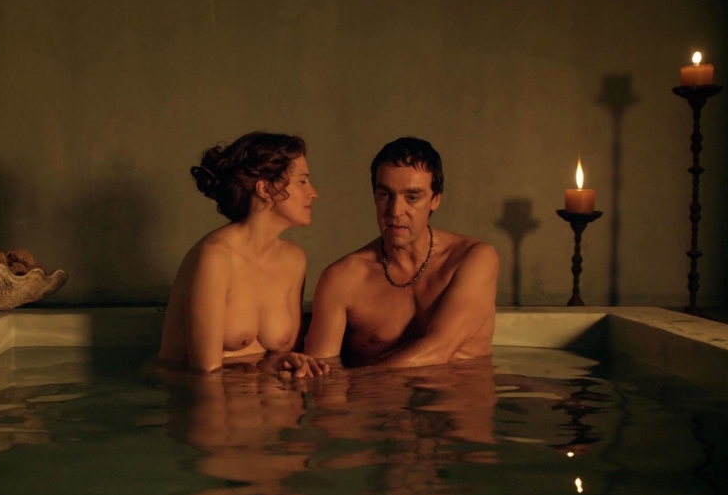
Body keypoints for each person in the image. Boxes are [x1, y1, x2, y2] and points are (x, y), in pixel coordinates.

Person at [304, 137, 498, 368]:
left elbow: (439, 349)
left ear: (435, 200)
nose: (395, 211)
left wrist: (358, 381)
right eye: (385, 195)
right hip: (375, 393)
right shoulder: (342, 278)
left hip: (457, 390)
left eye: (412, 197)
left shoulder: (473, 259)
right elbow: (319, 374)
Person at [158, 131, 328, 377]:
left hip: (270, 395)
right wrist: (266, 369)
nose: (313, 193)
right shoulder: (215, 258)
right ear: (265, 188)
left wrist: (292, 363)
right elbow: (205, 375)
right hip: (211, 394)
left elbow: (286, 355)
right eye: (302, 181)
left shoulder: (294, 259)